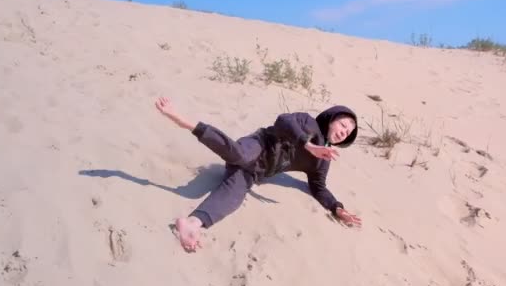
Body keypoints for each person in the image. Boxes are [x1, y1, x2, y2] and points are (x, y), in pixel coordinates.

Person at [155, 97, 362, 252]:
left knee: (234, 196)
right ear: (331, 119)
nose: (344, 131)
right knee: (241, 154)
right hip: (259, 144)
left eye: (348, 133)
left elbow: (318, 186)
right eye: (343, 125)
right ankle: (187, 123)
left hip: (256, 172)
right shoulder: (308, 122)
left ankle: (192, 223)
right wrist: (307, 144)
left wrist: (337, 208)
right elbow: (282, 121)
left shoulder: (322, 159)